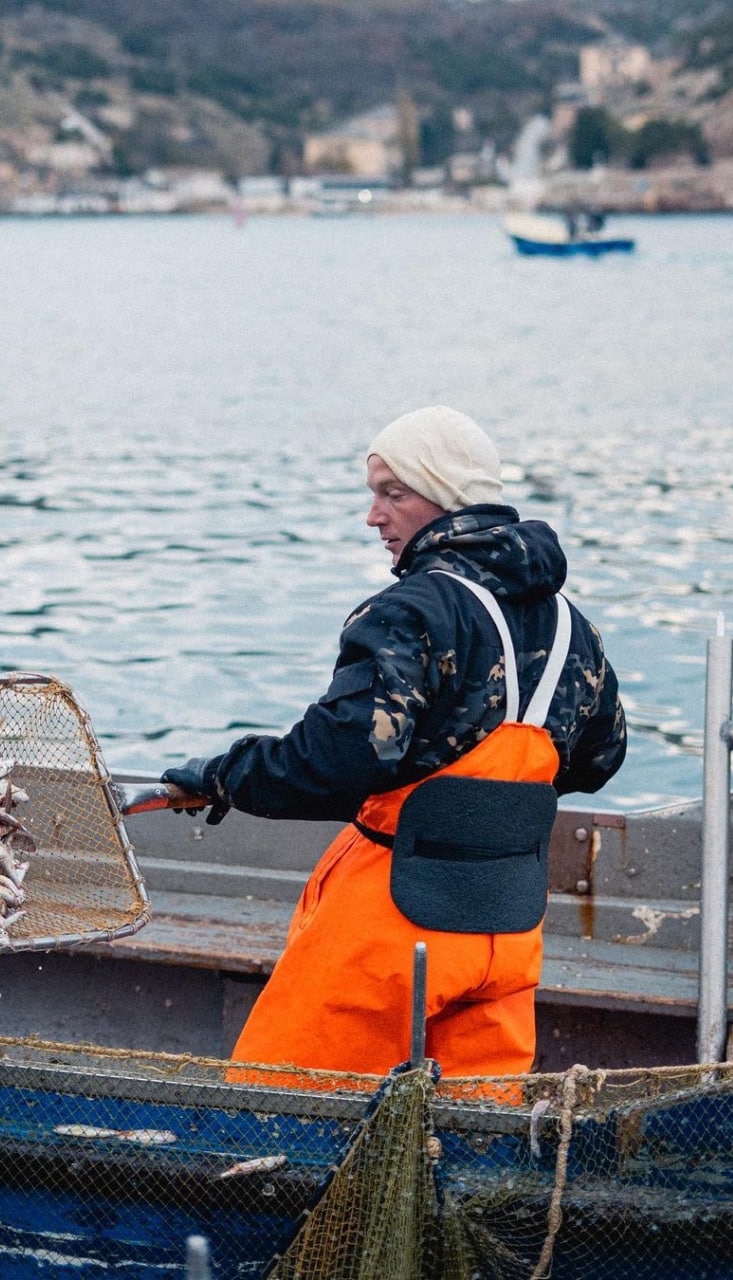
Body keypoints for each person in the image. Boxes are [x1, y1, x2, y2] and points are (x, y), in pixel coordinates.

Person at [163, 405, 626, 1080]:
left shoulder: (411, 612)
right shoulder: (569, 627)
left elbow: (339, 761)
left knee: (280, 1117)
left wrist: (225, 773)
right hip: (505, 933)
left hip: (394, 932)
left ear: (442, 497)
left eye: (392, 493)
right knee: (469, 1149)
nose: (374, 516)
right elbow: (600, 758)